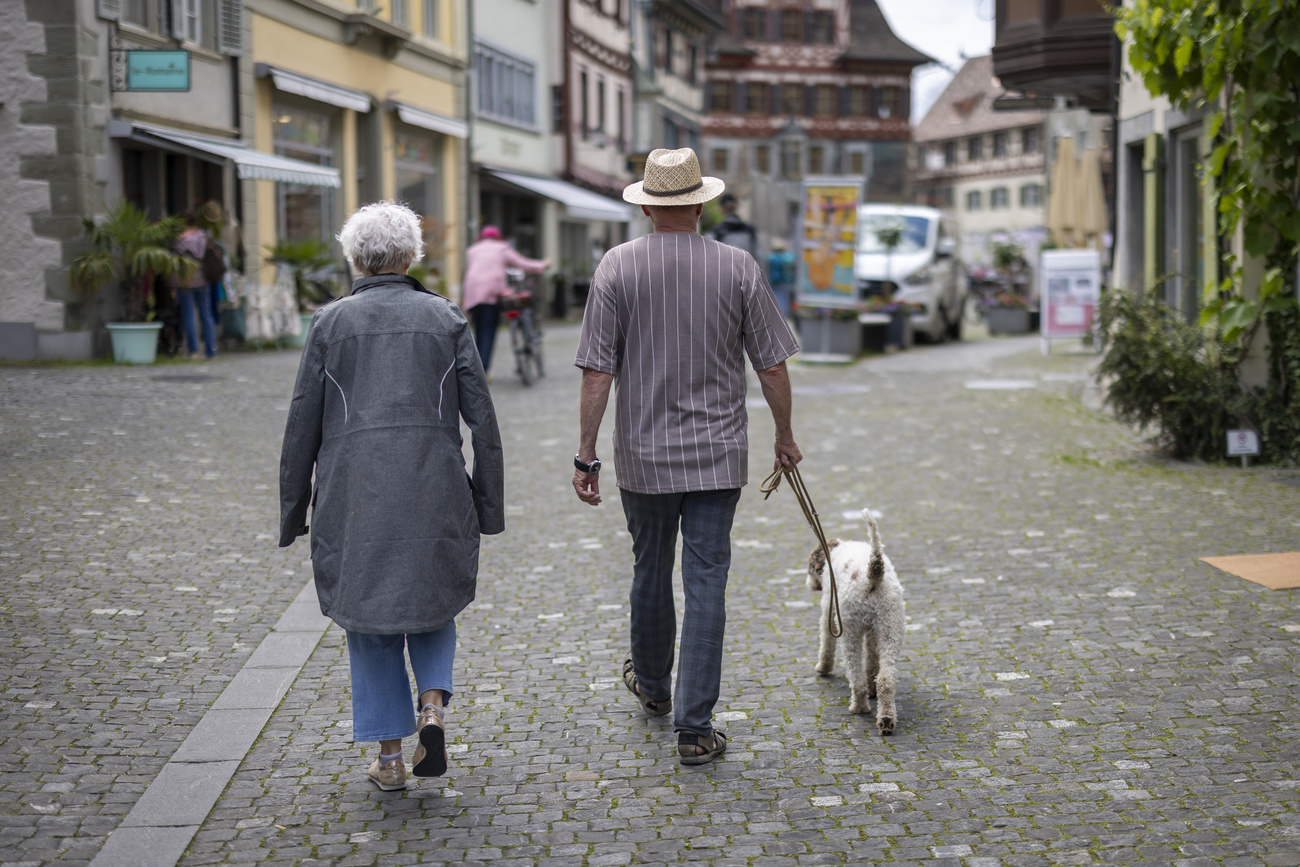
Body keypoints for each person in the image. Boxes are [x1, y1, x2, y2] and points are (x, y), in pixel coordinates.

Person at [572, 148, 803, 765]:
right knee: (706, 583)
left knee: (650, 569)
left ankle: (652, 687)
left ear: (647, 204)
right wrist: (784, 436)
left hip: (644, 456)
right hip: (717, 455)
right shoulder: (739, 267)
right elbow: (772, 364)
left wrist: (586, 453)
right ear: (701, 202)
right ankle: (695, 730)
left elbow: (598, 370)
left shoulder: (617, 267)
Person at [279, 201, 504, 792]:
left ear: (356, 257)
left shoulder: (330, 324)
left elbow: (302, 420)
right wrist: (489, 504)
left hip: (356, 493)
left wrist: (291, 510)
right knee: (433, 601)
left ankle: (389, 759)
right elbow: (482, 419)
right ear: (411, 257)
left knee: (371, 619)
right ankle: (432, 705)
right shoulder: (447, 317)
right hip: (436, 483)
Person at [461, 226, 549, 374]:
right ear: (497, 237)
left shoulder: (472, 250)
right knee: (489, 331)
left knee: (479, 332)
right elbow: (523, 263)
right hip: (491, 294)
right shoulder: (501, 248)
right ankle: (483, 371)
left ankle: (476, 368)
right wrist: (543, 265)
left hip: (473, 295)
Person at [172, 214, 217, 360]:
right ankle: (211, 351)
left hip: (186, 281)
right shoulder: (203, 237)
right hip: (203, 279)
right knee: (206, 315)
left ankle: (194, 351)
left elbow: (174, 262)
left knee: (189, 316)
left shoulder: (180, 241)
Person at [709, 192, 757, 257]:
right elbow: (758, 255)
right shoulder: (749, 230)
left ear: (721, 208)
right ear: (737, 206)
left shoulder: (716, 231)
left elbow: (710, 254)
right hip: (746, 266)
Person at [767, 238, 795, 318]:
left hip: (774, 281)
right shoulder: (780, 258)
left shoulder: (771, 257)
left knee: (775, 298)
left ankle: (776, 314)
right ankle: (782, 315)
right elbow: (790, 259)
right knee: (783, 299)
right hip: (782, 281)